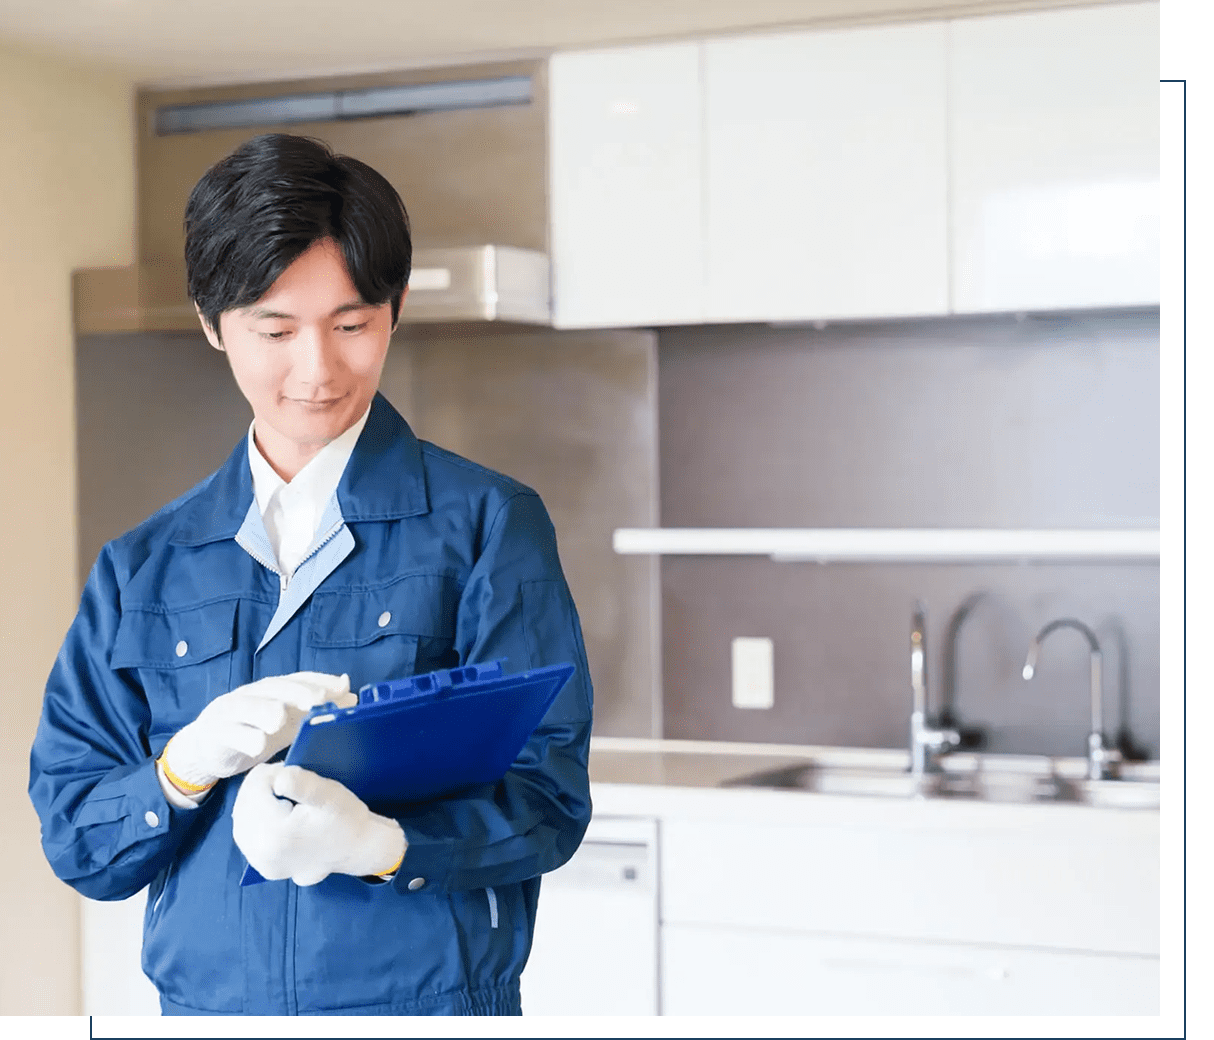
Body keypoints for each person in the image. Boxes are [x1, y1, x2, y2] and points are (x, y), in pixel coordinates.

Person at [28, 133, 593, 1017]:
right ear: (214, 324)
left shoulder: (487, 526)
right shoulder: (142, 566)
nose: (317, 370)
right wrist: (177, 770)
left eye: (352, 325)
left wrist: (385, 845)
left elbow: (547, 800)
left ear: (394, 311)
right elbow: (80, 841)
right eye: (276, 329)